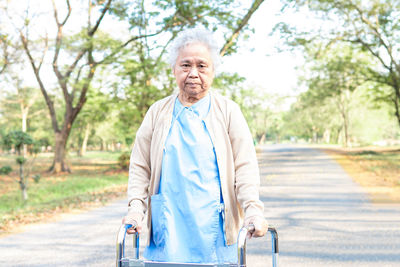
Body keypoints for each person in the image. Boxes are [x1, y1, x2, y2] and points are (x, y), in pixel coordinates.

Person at [123, 28, 268, 264]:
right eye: (185, 65)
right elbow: (140, 166)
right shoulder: (157, 112)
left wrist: (253, 210)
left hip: (215, 229)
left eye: (202, 66)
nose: (193, 73)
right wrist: (136, 209)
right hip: (168, 227)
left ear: (212, 71)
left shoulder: (228, 111)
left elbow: (245, 167)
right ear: (174, 70)